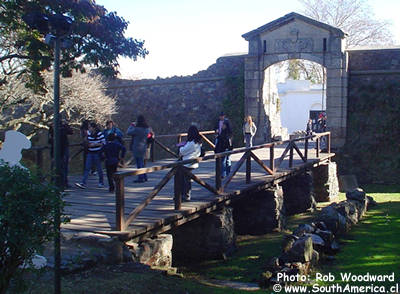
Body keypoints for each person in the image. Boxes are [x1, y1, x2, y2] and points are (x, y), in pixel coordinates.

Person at [75, 122, 105, 189]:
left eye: (90, 127)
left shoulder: (99, 134)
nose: (89, 128)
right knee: (87, 168)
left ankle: (101, 182)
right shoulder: (88, 133)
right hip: (90, 152)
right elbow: (86, 140)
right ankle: (83, 183)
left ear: (93, 128)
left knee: (99, 168)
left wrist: (95, 144)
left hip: (97, 152)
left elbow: (103, 142)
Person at [178, 125, 202, 201]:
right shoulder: (198, 142)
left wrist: (180, 147)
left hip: (187, 163)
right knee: (187, 180)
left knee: (185, 181)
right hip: (193, 163)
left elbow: (182, 151)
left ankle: (185, 195)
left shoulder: (191, 143)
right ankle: (185, 195)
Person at [48, 120, 73, 188]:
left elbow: (70, 132)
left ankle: (64, 182)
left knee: (64, 166)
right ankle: (53, 181)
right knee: (54, 166)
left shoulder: (63, 129)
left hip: (64, 149)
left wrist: (66, 125)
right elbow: (49, 140)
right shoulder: (51, 129)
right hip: (55, 149)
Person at [127, 115, 151, 183]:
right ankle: (144, 176)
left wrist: (131, 125)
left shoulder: (137, 129)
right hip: (144, 146)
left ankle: (140, 177)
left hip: (136, 147)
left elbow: (128, 132)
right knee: (142, 162)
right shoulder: (147, 129)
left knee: (139, 163)